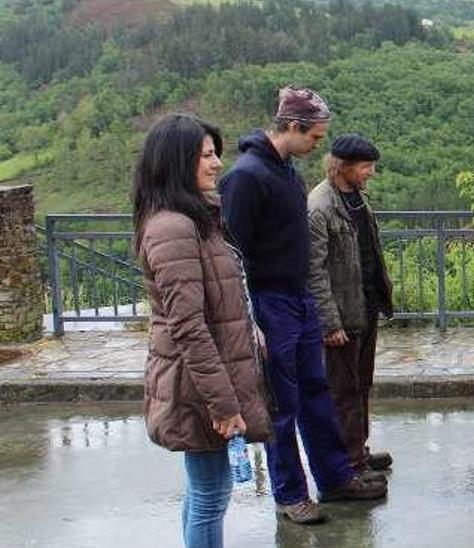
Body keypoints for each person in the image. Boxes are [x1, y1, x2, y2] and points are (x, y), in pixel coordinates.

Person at [219, 86, 385, 525]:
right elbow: (230, 253)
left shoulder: (287, 172)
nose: (319, 146)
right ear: (293, 127)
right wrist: (248, 317)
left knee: (318, 394)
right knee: (282, 404)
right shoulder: (246, 177)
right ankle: (290, 494)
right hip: (270, 301)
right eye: (315, 137)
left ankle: (334, 478)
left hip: (300, 299)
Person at [132, 113, 271, 547]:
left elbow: (217, 303)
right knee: (212, 496)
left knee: (203, 492)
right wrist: (224, 405)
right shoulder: (174, 227)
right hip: (200, 387)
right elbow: (189, 326)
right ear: (177, 162)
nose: (216, 164)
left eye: (216, 154)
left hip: (204, 381)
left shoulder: (194, 220)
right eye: (206, 155)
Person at [306, 134, 395, 482]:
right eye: (365, 166)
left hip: (364, 308)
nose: (371, 172)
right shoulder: (320, 206)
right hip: (342, 316)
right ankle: (348, 468)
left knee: (361, 384)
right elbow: (314, 271)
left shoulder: (356, 197)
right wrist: (329, 323)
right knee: (342, 391)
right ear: (342, 167)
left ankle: (358, 450)